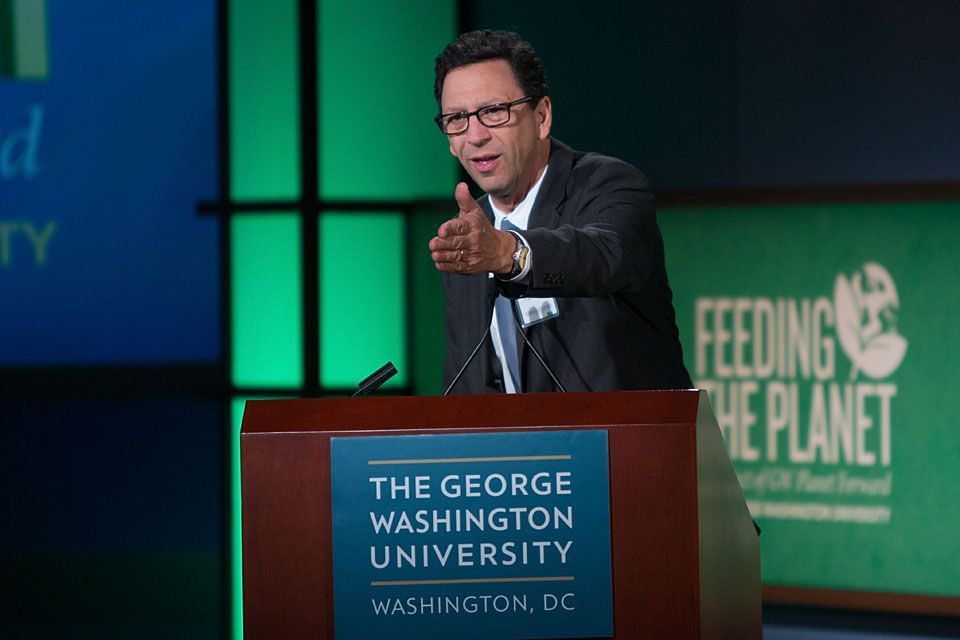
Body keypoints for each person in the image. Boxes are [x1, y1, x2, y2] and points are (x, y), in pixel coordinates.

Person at [429, 30, 691, 394]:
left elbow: (607, 257)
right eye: (457, 118)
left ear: (541, 117)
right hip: (523, 450)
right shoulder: (471, 239)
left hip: (629, 444)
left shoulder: (608, 184)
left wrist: (510, 253)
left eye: (492, 111)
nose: (475, 135)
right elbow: (468, 385)